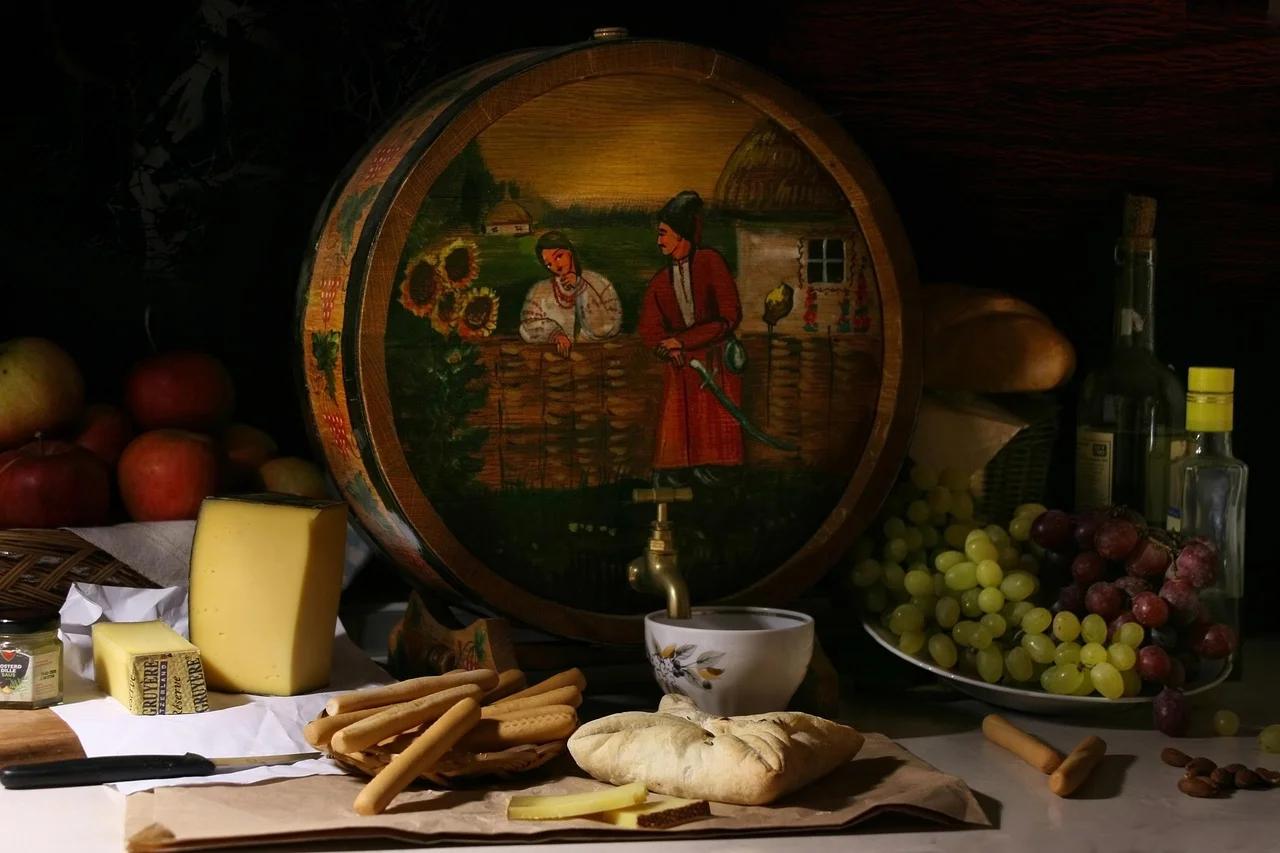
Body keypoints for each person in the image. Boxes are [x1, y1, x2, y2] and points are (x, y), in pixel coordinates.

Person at [636, 191, 744, 485]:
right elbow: (649, 328)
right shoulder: (660, 281)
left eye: (663, 234)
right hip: (681, 362)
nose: (658, 241)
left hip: (715, 356)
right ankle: (675, 469)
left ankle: (713, 467)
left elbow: (728, 316)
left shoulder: (710, 262)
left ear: (681, 234)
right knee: (678, 415)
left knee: (713, 417)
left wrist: (683, 340)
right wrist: (667, 347)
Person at [519, 231, 621, 356]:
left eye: (558, 256)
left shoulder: (599, 282)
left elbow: (610, 326)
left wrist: (581, 287)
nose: (556, 266)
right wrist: (554, 334)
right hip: (555, 359)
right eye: (549, 264)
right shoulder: (540, 290)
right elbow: (527, 325)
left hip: (598, 355)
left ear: (570, 252)